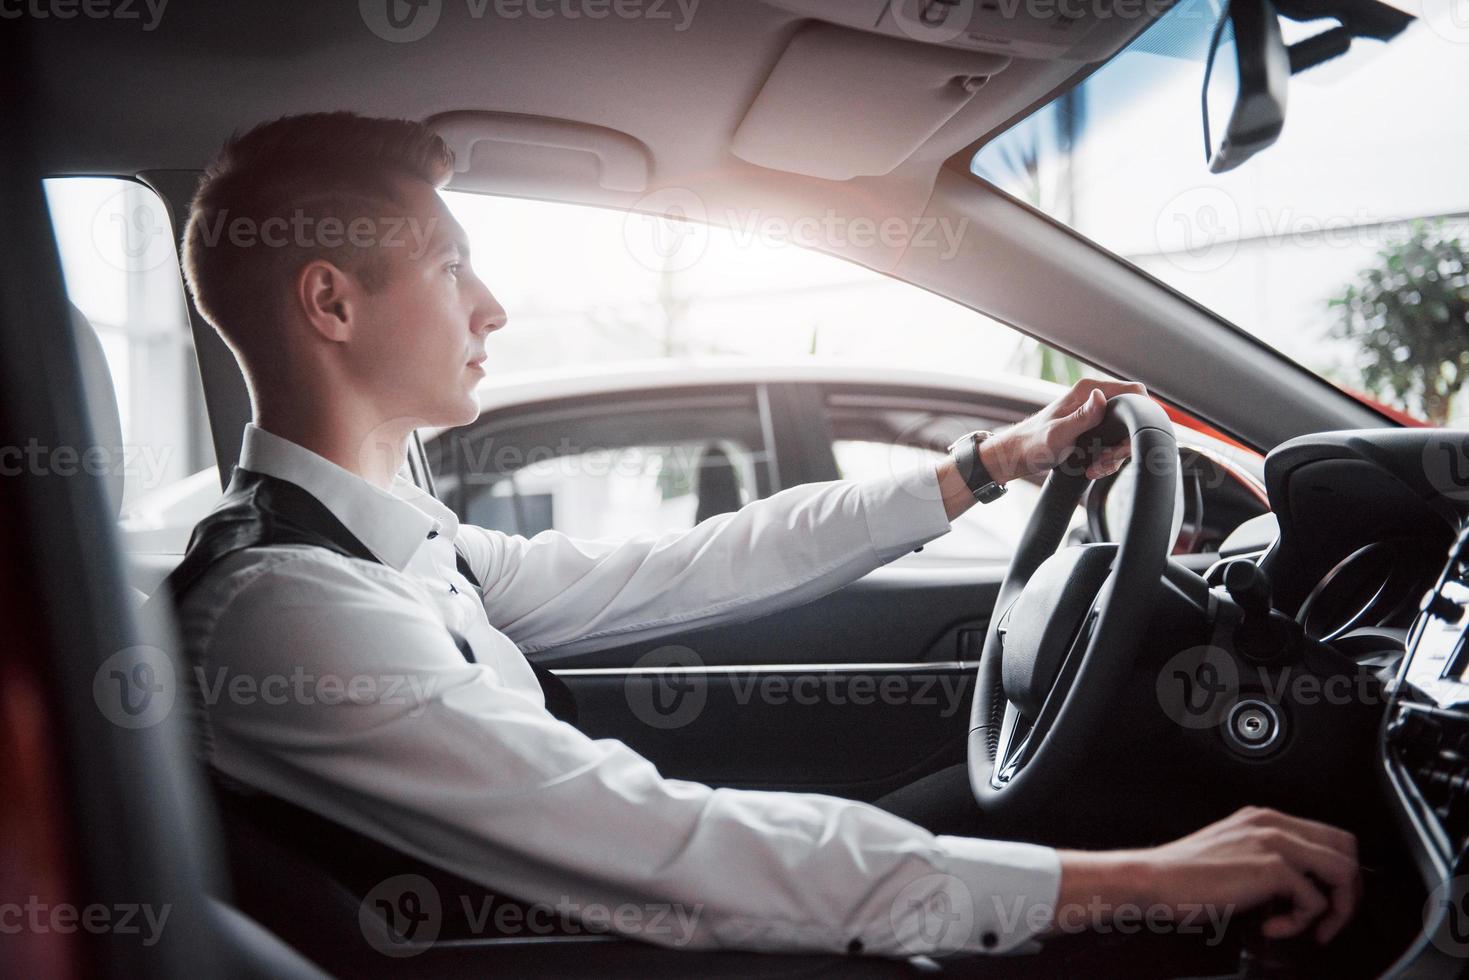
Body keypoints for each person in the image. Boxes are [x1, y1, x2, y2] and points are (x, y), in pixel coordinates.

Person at [171, 111, 1360, 960]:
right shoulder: (297, 605)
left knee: (1035, 802)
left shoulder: (383, 545)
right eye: (450, 268)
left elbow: (688, 564)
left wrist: (983, 464)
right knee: (1108, 843)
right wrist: (1144, 884)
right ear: (330, 302)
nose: (491, 306)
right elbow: (659, 845)